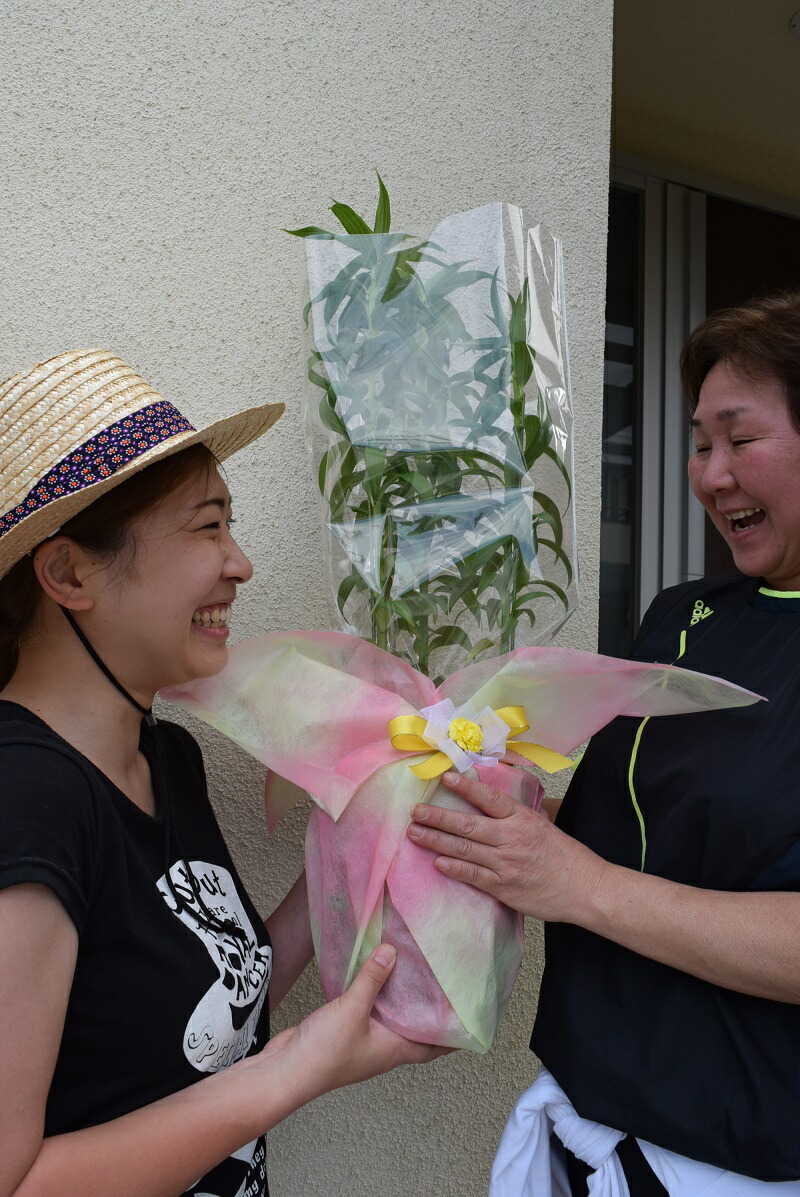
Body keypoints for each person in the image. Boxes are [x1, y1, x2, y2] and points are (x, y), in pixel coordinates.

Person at [0, 349, 439, 1197]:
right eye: (208, 527)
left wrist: (358, 826)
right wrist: (297, 1070)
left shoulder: (168, 757)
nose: (240, 564)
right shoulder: (27, 801)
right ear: (66, 572)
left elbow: (218, 989)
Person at [407, 290, 800, 1195]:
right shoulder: (682, 616)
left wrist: (577, 883)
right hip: (586, 1120)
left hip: (741, 1158)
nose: (710, 474)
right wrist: (501, 798)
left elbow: (588, 880)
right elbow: (624, 823)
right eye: (701, 444)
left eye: (741, 440)